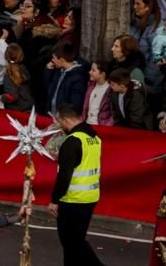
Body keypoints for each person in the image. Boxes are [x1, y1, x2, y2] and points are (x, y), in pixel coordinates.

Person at [50, 103, 104, 266]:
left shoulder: (72, 141)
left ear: (65, 120)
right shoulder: (94, 138)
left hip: (73, 200)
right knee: (76, 242)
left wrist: (54, 200)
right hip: (90, 197)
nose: (59, 125)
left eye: (59, 121)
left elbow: (64, 176)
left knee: (71, 243)